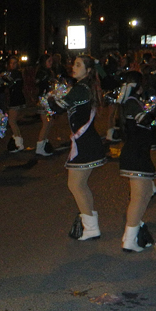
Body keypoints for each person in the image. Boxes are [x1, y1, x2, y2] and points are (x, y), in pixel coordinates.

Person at [57, 55, 106, 241]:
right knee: (80, 185)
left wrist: (50, 99)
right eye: (74, 64)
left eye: (78, 65)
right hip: (87, 141)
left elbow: (57, 107)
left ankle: (91, 228)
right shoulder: (85, 86)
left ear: (88, 70)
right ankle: (91, 225)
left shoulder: (80, 88)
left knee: (76, 185)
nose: (73, 67)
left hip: (85, 143)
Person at [117, 71, 156, 252]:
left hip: (139, 152)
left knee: (146, 193)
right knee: (138, 197)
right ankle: (130, 240)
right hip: (135, 154)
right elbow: (146, 119)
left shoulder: (133, 102)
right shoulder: (132, 102)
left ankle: (133, 231)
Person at [4, 55, 26, 153]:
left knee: (12, 121)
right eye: (11, 63)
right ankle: (18, 141)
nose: (12, 65)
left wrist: (5, 80)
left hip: (16, 99)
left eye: (14, 63)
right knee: (13, 121)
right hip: (15, 98)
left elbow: (14, 85)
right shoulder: (13, 73)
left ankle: (19, 143)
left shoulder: (16, 73)